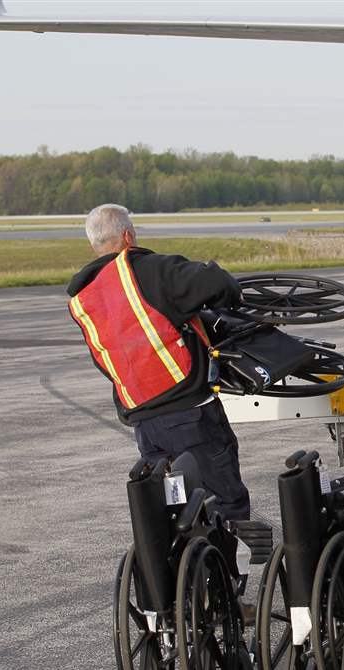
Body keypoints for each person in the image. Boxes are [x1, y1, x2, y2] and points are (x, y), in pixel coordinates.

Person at [67, 204, 251, 520]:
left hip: (144, 422)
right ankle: (230, 568)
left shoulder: (82, 297)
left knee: (176, 508)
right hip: (190, 412)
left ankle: (186, 565)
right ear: (127, 235)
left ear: (94, 244)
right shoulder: (150, 270)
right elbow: (218, 282)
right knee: (225, 501)